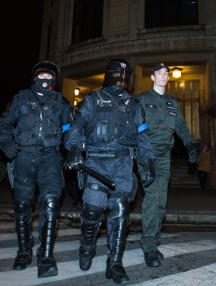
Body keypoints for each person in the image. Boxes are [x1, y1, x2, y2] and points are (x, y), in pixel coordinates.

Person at [64, 58, 155, 285]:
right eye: (118, 74)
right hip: (96, 163)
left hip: (123, 163)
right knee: (93, 210)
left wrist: (148, 160)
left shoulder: (134, 104)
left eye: (125, 76)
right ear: (110, 75)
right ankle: (87, 247)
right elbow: (76, 128)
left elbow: (142, 136)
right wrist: (74, 149)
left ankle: (114, 263)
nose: (122, 80)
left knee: (121, 213)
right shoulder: (93, 100)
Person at [0, 61, 74, 278]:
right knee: (22, 204)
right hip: (24, 155)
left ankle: (46, 255)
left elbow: (70, 127)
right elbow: (3, 126)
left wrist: (74, 148)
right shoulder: (20, 99)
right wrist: (6, 143)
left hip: (51, 156)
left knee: (51, 201)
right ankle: (23, 250)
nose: (45, 79)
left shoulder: (60, 101)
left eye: (50, 76)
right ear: (34, 77)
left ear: (54, 81)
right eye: (42, 75)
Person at [137, 62, 197, 268]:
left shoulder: (172, 102)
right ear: (152, 77)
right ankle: (149, 246)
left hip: (164, 157)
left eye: (166, 73)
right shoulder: (142, 100)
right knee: (152, 199)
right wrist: (145, 158)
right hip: (147, 156)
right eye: (159, 73)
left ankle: (153, 239)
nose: (163, 76)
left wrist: (189, 143)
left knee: (162, 202)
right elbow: (137, 129)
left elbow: (180, 124)